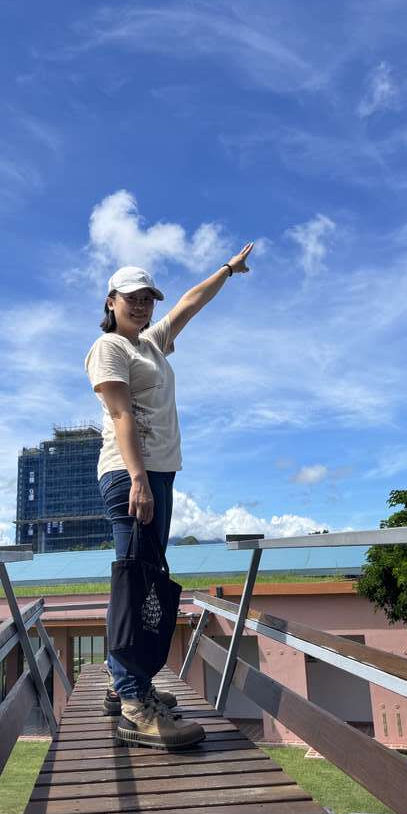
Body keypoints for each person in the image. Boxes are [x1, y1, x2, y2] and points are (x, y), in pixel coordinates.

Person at [84, 242, 254, 748]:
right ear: (111, 301)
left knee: (144, 576)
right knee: (136, 582)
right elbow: (120, 414)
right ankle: (134, 703)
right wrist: (138, 478)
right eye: (131, 297)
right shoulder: (109, 348)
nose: (141, 306)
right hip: (130, 474)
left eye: (147, 299)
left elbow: (188, 305)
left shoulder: (151, 344)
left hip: (157, 473)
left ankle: (124, 683)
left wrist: (227, 270)